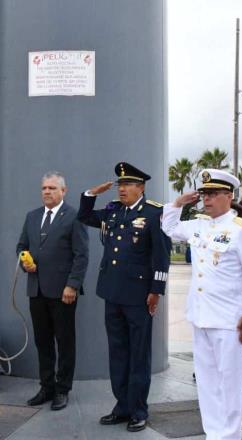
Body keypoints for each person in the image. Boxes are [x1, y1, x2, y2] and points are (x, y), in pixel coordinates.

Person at [161, 169, 242, 440]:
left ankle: (230, 436)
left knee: (230, 383)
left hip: (230, 319)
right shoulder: (198, 224)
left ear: (229, 196)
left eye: (214, 194)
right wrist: (178, 204)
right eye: (204, 193)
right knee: (207, 384)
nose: (207, 199)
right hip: (201, 316)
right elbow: (168, 227)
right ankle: (213, 434)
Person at [77, 162, 171, 433]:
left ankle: (139, 410)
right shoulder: (113, 212)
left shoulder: (154, 213)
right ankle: (122, 407)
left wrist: (156, 291)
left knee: (138, 354)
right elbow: (84, 216)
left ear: (140, 187)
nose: (121, 189)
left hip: (139, 297)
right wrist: (92, 192)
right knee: (118, 353)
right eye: (119, 185)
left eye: (127, 184)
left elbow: (161, 257)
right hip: (112, 293)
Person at [16, 171, 89, 411]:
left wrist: (73, 285)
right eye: (44, 188)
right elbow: (21, 246)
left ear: (63, 191)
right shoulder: (32, 217)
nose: (46, 192)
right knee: (43, 342)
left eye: (52, 188)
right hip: (36, 290)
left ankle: (62, 389)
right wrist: (24, 260)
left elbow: (81, 255)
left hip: (63, 292)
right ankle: (46, 387)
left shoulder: (74, 217)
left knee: (65, 342)